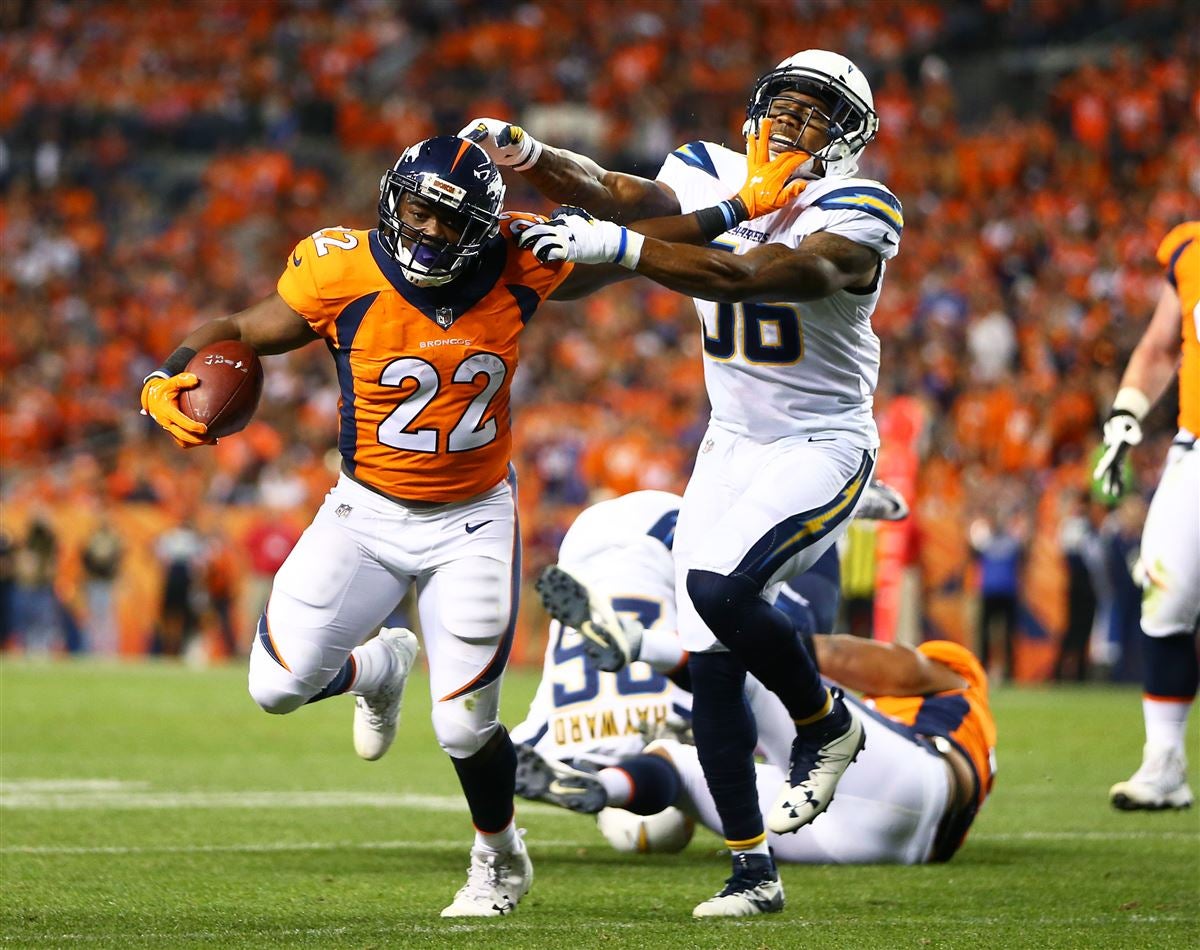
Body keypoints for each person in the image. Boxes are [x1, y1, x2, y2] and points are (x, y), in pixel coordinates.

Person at [138, 135, 801, 916]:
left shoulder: (523, 256)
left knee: (463, 726)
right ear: (394, 201)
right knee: (276, 687)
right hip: (364, 510)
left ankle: (499, 859)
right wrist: (163, 376)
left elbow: (638, 247)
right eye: (417, 210)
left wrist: (738, 209)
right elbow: (242, 329)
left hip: (472, 522)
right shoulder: (341, 267)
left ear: (483, 228)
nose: (424, 231)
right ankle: (378, 668)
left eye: (447, 222)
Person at [462, 48, 901, 915]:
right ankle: (753, 872)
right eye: (787, 105)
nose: (792, 123)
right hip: (731, 441)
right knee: (709, 655)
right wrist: (533, 157)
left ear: (846, 139)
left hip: (820, 439)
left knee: (718, 588)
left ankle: (826, 724)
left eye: (817, 115)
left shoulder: (860, 207)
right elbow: (625, 193)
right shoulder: (714, 170)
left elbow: (760, 274)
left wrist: (624, 251)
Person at [514, 489, 993, 871]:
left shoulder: (958, 673)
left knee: (745, 669)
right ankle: (602, 789)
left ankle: (637, 645)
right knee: (677, 758)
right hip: (876, 826)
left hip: (906, 789)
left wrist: (778, 649)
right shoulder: (937, 707)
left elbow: (861, 660)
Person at [1094, 220, 1199, 812]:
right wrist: (1126, 417)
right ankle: (1164, 761)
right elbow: (1163, 345)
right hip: (1195, 445)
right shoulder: (1190, 248)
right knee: (1164, 595)